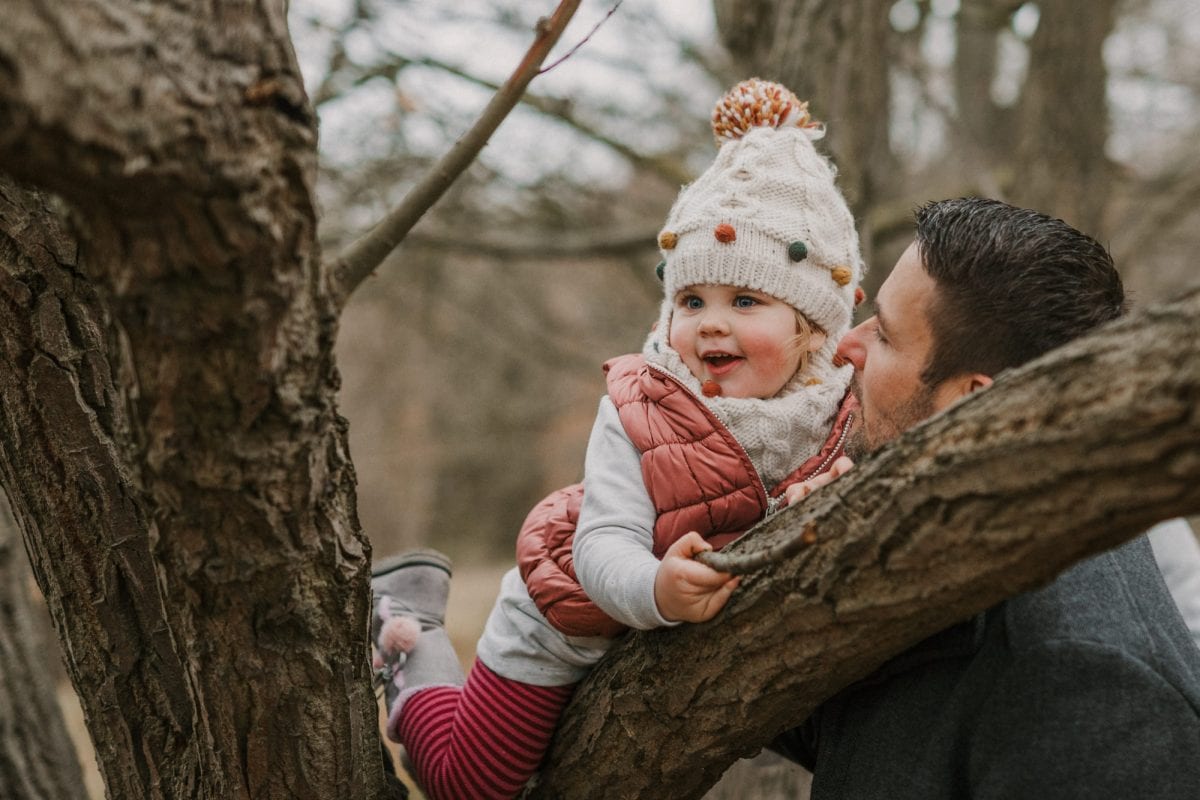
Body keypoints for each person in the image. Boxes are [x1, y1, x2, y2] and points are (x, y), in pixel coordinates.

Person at [369, 78, 865, 800]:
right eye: (691, 300)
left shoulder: (839, 414)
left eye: (746, 300)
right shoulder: (643, 402)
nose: (710, 323)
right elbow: (603, 543)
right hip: (574, 612)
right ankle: (406, 627)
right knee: (466, 781)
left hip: (664, 647)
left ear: (813, 327)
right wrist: (656, 587)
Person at [773, 197, 1200, 799]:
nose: (847, 344)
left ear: (975, 403)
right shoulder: (921, 534)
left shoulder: (1090, 690)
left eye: (888, 336)